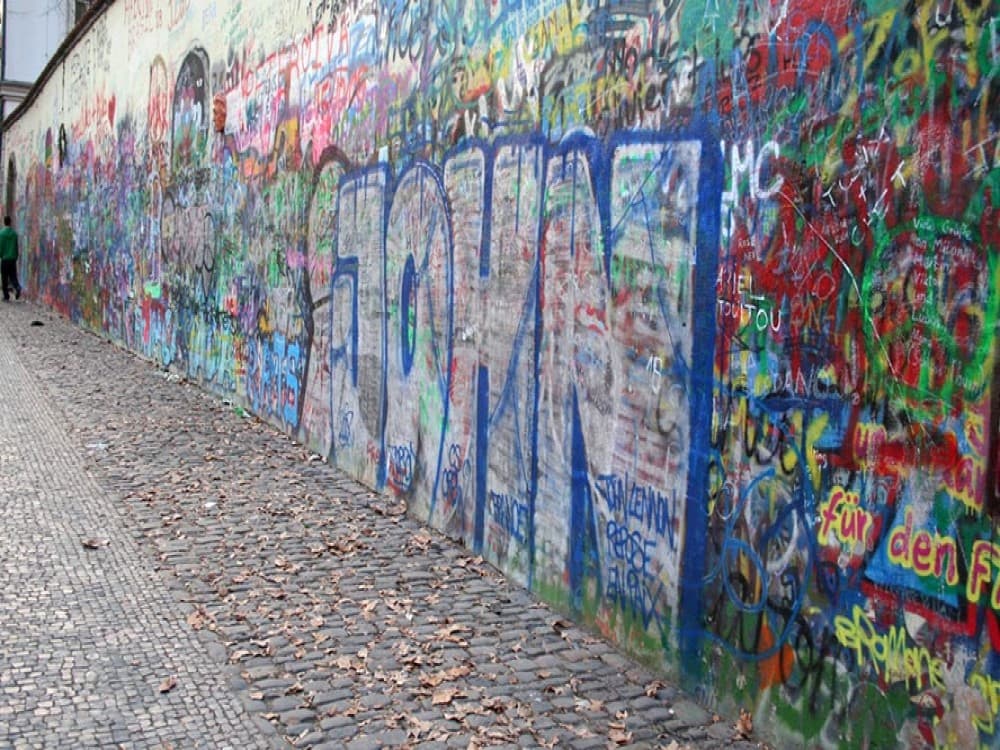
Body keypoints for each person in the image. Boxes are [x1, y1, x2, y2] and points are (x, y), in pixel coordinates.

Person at [0, 215, 20, 302]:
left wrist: (1, 255)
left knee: (4, 278)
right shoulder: (14, 234)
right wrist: (16, 256)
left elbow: (0, 247)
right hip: (12, 258)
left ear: (4, 222)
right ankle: (17, 287)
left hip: (4, 259)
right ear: (10, 222)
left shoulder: (1, 234)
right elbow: (16, 246)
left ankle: (6, 296)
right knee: (13, 276)